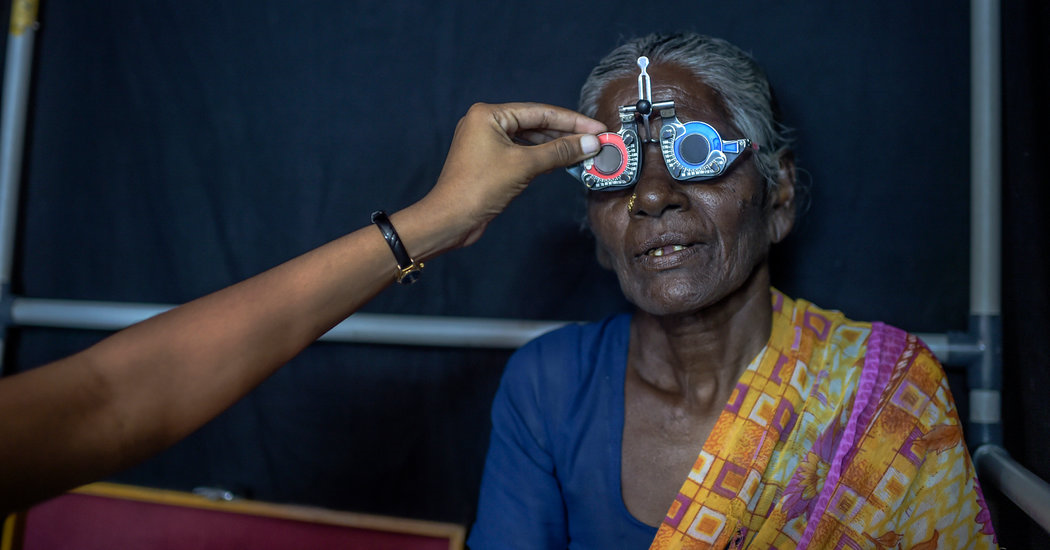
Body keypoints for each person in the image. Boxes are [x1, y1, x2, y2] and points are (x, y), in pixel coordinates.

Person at [468, 33, 997, 549]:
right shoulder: (550, 388)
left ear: (779, 195)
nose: (651, 195)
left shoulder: (886, 394)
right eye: (614, 165)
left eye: (694, 152)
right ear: (596, 228)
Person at [0, 102, 605, 515]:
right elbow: (110, 402)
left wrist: (433, 222)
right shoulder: (548, 383)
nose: (653, 198)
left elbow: (111, 398)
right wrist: (433, 222)